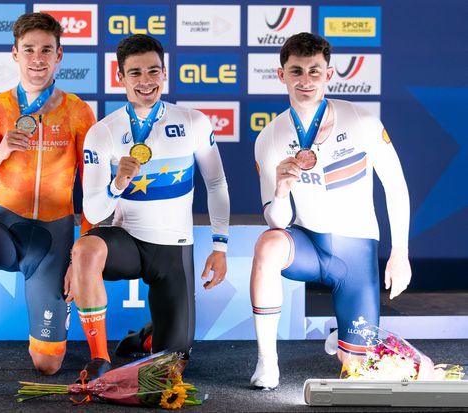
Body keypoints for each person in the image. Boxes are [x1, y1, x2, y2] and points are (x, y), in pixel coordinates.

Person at [250, 32, 411, 390]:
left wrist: (400, 253)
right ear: (281, 75)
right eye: (296, 71)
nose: (305, 81)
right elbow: (277, 221)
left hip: (355, 256)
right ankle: (266, 362)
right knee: (268, 244)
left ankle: (346, 343)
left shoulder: (361, 120)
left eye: (314, 71)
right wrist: (281, 191)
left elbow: (396, 186)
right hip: (309, 246)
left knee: (357, 372)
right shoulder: (270, 138)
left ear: (329, 73)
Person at [65, 34, 230, 379]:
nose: (146, 81)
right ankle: (99, 358)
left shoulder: (194, 122)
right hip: (126, 241)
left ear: (165, 73)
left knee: (171, 367)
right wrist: (117, 184)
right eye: (135, 73)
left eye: (154, 71)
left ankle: (146, 337)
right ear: (120, 77)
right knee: (84, 250)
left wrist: (220, 246)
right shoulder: (103, 132)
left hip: (173, 249)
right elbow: (93, 212)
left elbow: (216, 184)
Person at [0, 12, 95, 386]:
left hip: (53, 237)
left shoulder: (79, 112)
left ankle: (51, 332)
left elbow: (93, 191)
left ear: (59, 55)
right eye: (29, 49)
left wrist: (79, 259)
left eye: (46, 50)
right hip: (3, 224)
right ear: (15, 54)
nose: (37, 58)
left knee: (47, 365)